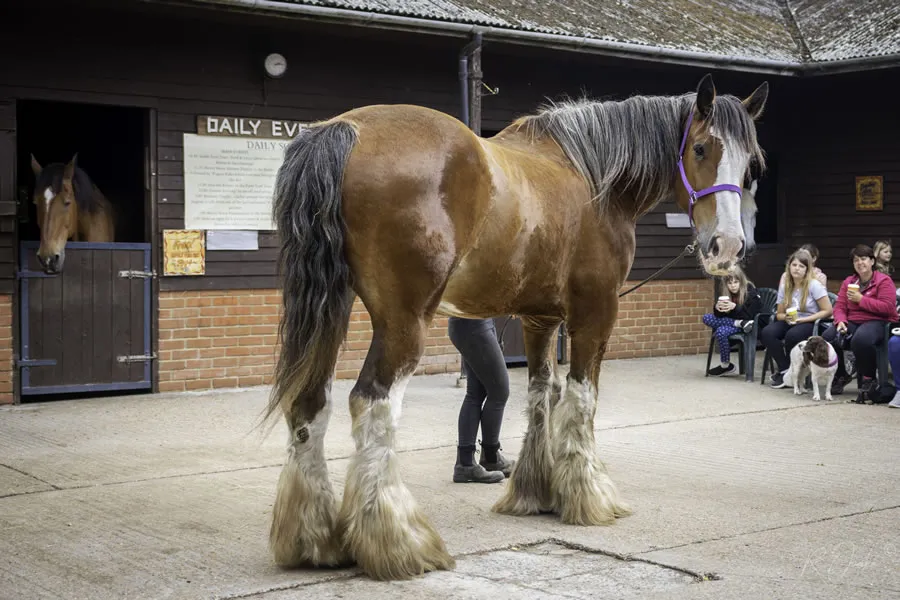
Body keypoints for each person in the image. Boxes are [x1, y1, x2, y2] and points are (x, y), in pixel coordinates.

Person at [823, 244, 897, 399]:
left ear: (872, 261)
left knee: (861, 339)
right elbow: (840, 307)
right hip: (853, 321)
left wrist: (862, 300)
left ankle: (869, 378)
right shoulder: (850, 282)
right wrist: (841, 321)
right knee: (829, 336)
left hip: (879, 321)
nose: (860, 263)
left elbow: (888, 308)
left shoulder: (884, 281)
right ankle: (841, 375)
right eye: (856, 260)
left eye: (863, 259)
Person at [447, 317, 515, 483]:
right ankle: (488, 457)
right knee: (499, 390)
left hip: (477, 322)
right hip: (473, 325)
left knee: (476, 392)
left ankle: (467, 463)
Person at [764, 248, 833, 389]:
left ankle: (792, 373)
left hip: (811, 321)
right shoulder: (785, 286)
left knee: (792, 335)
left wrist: (804, 320)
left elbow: (828, 310)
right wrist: (786, 317)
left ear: (807, 270)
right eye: (794, 265)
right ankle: (786, 370)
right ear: (789, 266)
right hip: (792, 321)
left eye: (801, 266)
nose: (797, 269)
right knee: (767, 332)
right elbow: (779, 314)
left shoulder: (814, 285)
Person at [703, 265, 762, 376]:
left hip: (750, 324)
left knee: (721, 331)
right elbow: (720, 317)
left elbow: (750, 315)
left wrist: (735, 307)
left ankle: (725, 365)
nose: (733, 286)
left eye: (736, 282)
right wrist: (718, 308)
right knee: (706, 318)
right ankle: (726, 365)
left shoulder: (751, 293)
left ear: (741, 281)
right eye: (730, 283)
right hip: (737, 323)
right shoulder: (727, 293)